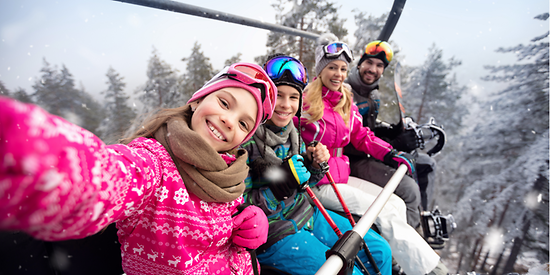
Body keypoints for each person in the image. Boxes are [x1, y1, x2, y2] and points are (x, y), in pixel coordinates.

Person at [0, 62, 275, 275]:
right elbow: (101, 179)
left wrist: (250, 223)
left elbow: (230, 216)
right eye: (225, 103)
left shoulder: (230, 171)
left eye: (243, 124)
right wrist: (25, 151)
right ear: (197, 100)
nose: (229, 121)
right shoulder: (153, 164)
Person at [295, 34, 449, 275]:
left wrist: (391, 153)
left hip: (340, 175)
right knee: (384, 211)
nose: (338, 74)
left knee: (396, 203)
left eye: (343, 69)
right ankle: (432, 270)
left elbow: (361, 135)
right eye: (332, 67)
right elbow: (289, 134)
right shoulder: (305, 101)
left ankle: (399, 262)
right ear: (321, 69)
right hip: (317, 181)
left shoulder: (345, 100)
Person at [241, 54, 392, 275]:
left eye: (293, 97)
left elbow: (304, 181)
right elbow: (240, 205)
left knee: (380, 251)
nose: (285, 105)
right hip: (276, 233)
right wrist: (277, 188)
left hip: (308, 214)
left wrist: (313, 164)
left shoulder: (293, 134)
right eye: (278, 95)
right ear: (266, 96)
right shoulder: (246, 141)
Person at [344, 40, 425, 229]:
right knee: (409, 190)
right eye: (369, 63)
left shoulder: (372, 95)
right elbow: (348, 139)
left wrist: (392, 131)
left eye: (379, 66)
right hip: (352, 160)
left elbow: (367, 129)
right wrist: (394, 143)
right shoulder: (347, 93)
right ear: (359, 63)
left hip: (366, 153)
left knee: (421, 165)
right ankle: (406, 240)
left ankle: (414, 224)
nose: (372, 69)